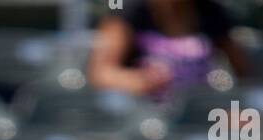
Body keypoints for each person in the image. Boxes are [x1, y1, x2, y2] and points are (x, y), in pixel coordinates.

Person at [88, 0, 247, 100]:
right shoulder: (129, 11)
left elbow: (245, 74)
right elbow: (100, 73)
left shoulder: (210, 12)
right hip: (143, 110)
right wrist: (140, 81)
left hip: (197, 110)